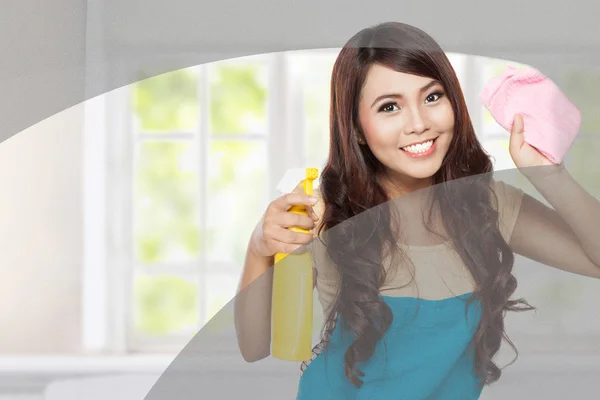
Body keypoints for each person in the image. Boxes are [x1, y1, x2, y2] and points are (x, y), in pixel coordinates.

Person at [233, 21, 600, 399]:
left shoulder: (489, 205)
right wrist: (259, 248)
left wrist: (550, 174)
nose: (419, 124)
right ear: (357, 128)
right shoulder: (324, 210)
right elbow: (254, 347)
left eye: (432, 97)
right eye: (389, 106)